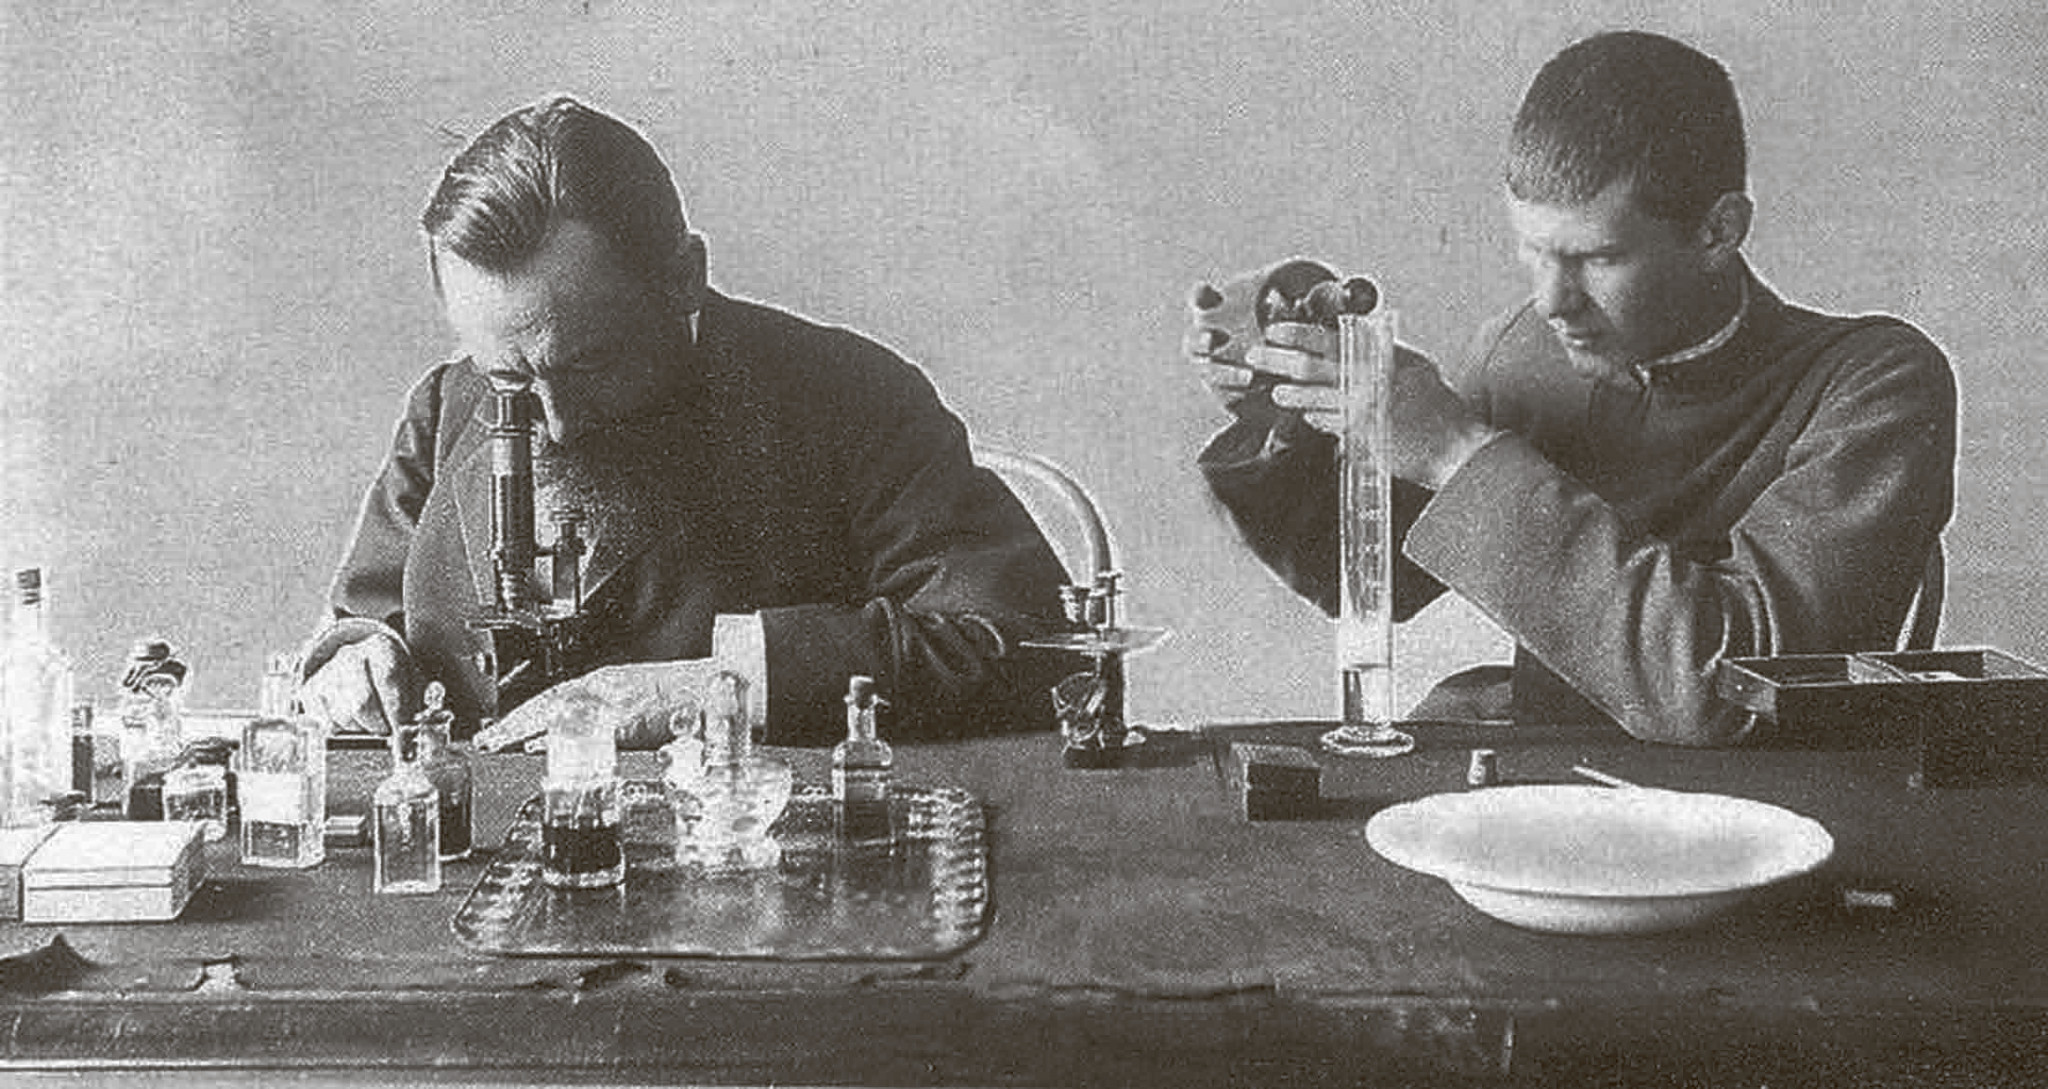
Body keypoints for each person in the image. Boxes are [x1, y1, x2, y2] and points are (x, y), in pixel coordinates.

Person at [1192, 31, 1956, 746]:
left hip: (1770, 807)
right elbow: (1367, 582)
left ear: (1718, 232)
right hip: (1555, 780)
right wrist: (1292, 406)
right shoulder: (1524, 349)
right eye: (1535, 253)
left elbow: (1730, 689)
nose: (1553, 301)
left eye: (1597, 258)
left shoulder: (1876, 382)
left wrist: (1457, 451)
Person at [299, 95, 1070, 747]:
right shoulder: (444, 406)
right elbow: (364, 624)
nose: (557, 423)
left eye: (590, 364)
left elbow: (1032, 645)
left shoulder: (850, 397)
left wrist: (717, 688)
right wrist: (355, 664)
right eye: (509, 378)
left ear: (684, 278)